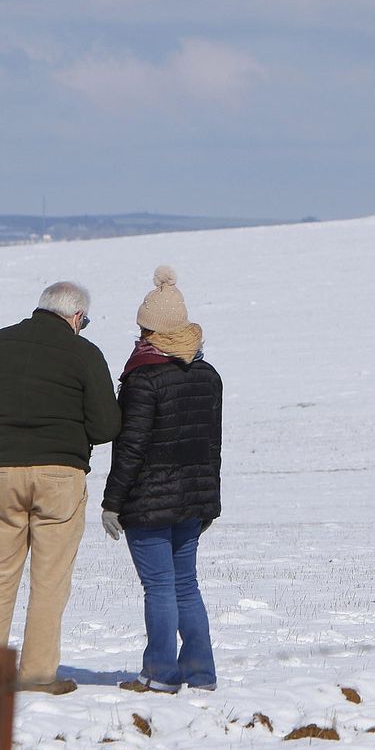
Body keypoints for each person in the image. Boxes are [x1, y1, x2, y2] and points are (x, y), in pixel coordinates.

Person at [0, 281, 120, 695]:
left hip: (1, 473)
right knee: (50, 580)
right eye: (83, 321)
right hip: (60, 476)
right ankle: (36, 676)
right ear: (75, 316)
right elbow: (107, 427)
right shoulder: (84, 354)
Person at [100, 267, 223, 693]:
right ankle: (201, 673)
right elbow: (213, 446)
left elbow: (130, 447)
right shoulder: (208, 376)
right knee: (185, 585)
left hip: (149, 502)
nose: (139, 335)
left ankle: (160, 674)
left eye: (142, 328)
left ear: (151, 330)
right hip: (193, 500)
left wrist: (112, 501)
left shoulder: (143, 378)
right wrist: (212, 503)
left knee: (160, 588)